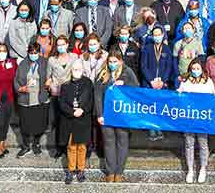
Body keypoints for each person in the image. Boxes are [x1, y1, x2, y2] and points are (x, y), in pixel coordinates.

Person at [95, 50, 138, 182]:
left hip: (122, 115)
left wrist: (125, 84)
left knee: (122, 142)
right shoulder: (102, 73)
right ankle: (110, 171)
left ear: (120, 61)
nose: (112, 64)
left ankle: (119, 171)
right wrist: (99, 114)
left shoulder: (128, 72)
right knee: (109, 143)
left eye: (115, 61)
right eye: (110, 61)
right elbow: (97, 95)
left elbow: (137, 88)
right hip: (107, 115)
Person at [179, 58, 215, 182]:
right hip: (188, 118)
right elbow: (180, 96)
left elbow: (213, 96)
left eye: (198, 69)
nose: (195, 71)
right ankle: (190, 170)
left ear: (202, 69)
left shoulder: (208, 81)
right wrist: (178, 93)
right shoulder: (185, 81)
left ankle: (203, 169)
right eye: (193, 69)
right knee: (189, 144)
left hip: (202, 118)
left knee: (203, 144)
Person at [59, 59, 94, 183]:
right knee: (71, 146)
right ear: (71, 70)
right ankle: (71, 170)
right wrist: (72, 111)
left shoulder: (88, 83)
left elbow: (91, 101)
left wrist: (83, 110)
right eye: (74, 69)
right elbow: (61, 103)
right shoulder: (65, 85)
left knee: (82, 147)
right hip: (70, 119)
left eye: (79, 69)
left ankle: (81, 170)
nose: (77, 71)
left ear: (83, 70)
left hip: (83, 119)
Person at [140, 24, 176, 141]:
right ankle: (151, 129)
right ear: (152, 36)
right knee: (150, 106)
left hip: (161, 83)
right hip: (149, 83)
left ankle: (159, 128)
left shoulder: (167, 49)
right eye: (154, 35)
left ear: (163, 35)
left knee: (160, 106)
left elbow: (169, 66)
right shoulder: (147, 48)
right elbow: (143, 66)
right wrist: (151, 81)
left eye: (159, 35)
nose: (157, 37)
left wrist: (163, 80)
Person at [16, 43, 51, 157]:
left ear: (39, 52)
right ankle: (26, 146)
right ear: (28, 53)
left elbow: (51, 75)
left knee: (40, 124)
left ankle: (36, 144)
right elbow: (15, 80)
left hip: (40, 98)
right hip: (26, 99)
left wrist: (50, 81)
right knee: (25, 124)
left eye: (35, 53)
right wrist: (20, 88)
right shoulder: (22, 63)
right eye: (31, 53)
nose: (33, 55)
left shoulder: (45, 62)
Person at [47, 35, 76, 158]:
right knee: (58, 122)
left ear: (67, 44)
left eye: (63, 44)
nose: (61, 47)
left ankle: (70, 146)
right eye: (58, 45)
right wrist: (49, 85)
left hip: (70, 93)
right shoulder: (52, 60)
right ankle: (60, 147)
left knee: (69, 122)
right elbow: (48, 76)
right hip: (57, 94)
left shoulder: (74, 57)